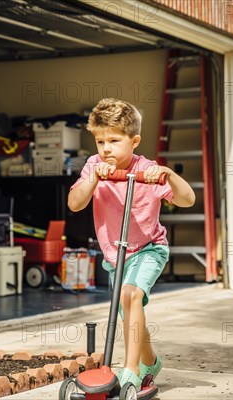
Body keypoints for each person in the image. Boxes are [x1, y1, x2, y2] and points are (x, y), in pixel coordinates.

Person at [68, 98, 195, 388]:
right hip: (116, 256)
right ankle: (151, 361)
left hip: (149, 248)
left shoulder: (148, 169)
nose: (106, 148)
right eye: (100, 141)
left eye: (114, 140)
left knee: (130, 296)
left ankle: (131, 369)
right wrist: (93, 180)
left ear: (134, 140)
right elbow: (75, 204)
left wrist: (168, 175)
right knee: (128, 308)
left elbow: (188, 200)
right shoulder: (93, 166)